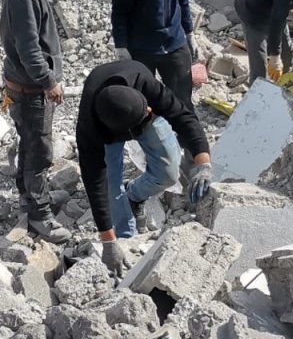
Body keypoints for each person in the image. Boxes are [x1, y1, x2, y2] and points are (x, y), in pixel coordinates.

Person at [76, 60, 213, 276]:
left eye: (148, 109)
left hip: (136, 103)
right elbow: (94, 183)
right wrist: (108, 241)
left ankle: (134, 194)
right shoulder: (89, 130)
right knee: (111, 188)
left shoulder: (145, 84)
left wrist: (203, 162)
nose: (150, 111)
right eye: (146, 112)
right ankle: (126, 240)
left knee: (169, 173)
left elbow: (183, 117)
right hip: (109, 130)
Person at [0, 0, 71, 243]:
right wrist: (48, 81)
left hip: (26, 86)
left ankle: (29, 198)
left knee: (29, 144)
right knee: (40, 152)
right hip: (31, 90)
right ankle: (40, 216)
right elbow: (29, 48)